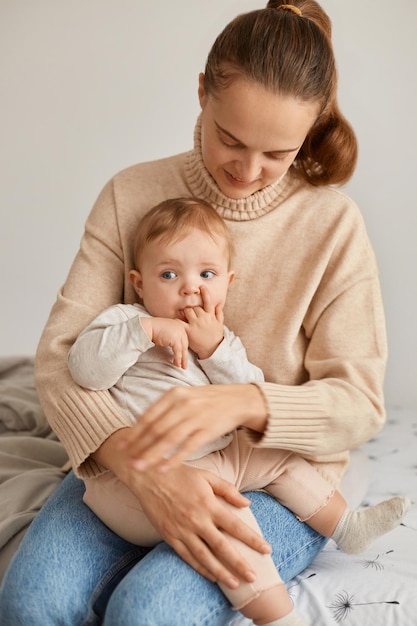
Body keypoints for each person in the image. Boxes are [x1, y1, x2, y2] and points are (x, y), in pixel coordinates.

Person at [0, 1, 401, 625]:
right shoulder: (129, 194)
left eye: (278, 154)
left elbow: (358, 403)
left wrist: (242, 403)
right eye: (230, 139)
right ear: (201, 94)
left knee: (147, 613)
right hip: (131, 456)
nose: (248, 172)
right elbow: (59, 358)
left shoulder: (333, 226)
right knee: (30, 603)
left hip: (269, 478)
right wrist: (140, 463)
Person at [67, 197, 409, 626]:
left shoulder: (222, 341)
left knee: (279, 459)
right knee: (232, 517)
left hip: (218, 459)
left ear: (227, 283)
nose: (191, 288)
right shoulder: (123, 321)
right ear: (138, 283)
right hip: (142, 476)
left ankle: (345, 525)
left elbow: (252, 394)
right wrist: (144, 331)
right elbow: (83, 370)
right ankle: (278, 616)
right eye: (169, 275)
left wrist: (214, 349)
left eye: (206, 275)